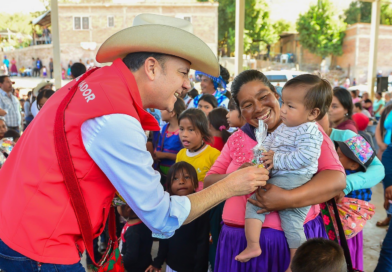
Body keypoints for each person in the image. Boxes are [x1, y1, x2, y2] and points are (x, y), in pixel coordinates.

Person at [0, 14, 268, 271]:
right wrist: (230, 185)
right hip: (38, 246)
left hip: (20, 228)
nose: (187, 84)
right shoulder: (115, 115)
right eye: (183, 73)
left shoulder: (95, 83)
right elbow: (162, 217)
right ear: (151, 67)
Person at [204, 70, 346, 272]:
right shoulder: (236, 139)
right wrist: (233, 178)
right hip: (236, 243)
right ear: (241, 111)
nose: (259, 108)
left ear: (276, 95)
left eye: (264, 97)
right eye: (247, 105)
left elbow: (336, 179)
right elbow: (209, 182)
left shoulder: (305, 130)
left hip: (287, 245)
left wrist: (287, 199)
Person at [235, 74, 328, 272]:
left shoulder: (310, 131)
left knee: (256, 202)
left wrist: (275, 159)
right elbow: (270, 142)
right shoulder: (287, 126)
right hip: (285, 176)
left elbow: (305, 157)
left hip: (295, 178)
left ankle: (253, 245)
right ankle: (294, 264)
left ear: (313, 113)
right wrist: (260, 152)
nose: (283, 109)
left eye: (290, 106)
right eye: (283, 102)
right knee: (292, 223)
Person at [317, 113, 385, 271]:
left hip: (343, 224)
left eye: (317, 112)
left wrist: (345, 184)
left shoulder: (347, 137)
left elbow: (377, 169)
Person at [146, 162, 209, 272]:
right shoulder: (168, 207)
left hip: (194, 267)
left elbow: (203, 243)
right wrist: (158, 262)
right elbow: (164, 238)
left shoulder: (200, 207)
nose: (181, 181)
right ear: (169, 185)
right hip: (172, 266)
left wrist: (200, 269)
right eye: (175, 179)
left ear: (195, 183)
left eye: (186, 177)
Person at [176, 108, 220, 192]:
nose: (184, 135)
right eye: (181, 129)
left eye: (191, 129)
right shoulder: (180, 155)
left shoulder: (214, 155)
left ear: (203, 132)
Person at [375, 104, 392, 271]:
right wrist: (381, 145)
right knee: (388, 193)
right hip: (388, 151)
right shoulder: (388, 108)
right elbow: (380, 127)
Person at [155, 98, 186, 176]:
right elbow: (159, 146)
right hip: (161, 170)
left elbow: (185, 155)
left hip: (176, 172)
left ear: (172, 113)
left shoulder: (183, 132)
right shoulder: (165, 127)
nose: (160, 111)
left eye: (163, 109)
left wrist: (165, 155)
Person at [117, 204, 153, 272]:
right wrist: (123, 238)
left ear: (128, 207)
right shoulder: (141, 222)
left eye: (117, 205)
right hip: (144, 262)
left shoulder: (133, 232)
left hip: (136, 268)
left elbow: (131, 257)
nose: (117, 208)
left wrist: (117, 263)